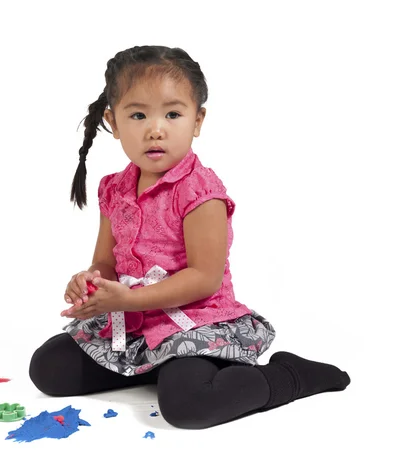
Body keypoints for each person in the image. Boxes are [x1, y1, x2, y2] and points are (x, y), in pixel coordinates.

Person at [29, 45, 350, 429]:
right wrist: (91, 282)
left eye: (173, 114)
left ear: (197, 121)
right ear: (113, 123)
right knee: (48, 369)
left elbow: (204, 278)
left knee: (189, 407)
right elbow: (106, 263)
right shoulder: (114, 189)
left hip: (194, 321)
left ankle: (285, 376)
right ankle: (156, 366)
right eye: (137, 115)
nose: (155, 128)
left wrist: (129, 297)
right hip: (136, 323)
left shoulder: (200, 193)